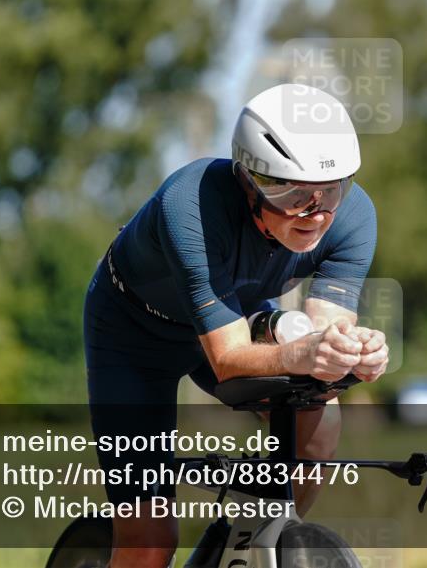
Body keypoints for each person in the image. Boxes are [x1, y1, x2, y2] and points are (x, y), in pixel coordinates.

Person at [83, 83, 389, 568]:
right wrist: (304, 354)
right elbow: (226, 360)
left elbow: (323, 338)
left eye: (331, 190)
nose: (316, 213)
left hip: (233, 314)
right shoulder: (190, 204)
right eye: (290, 192)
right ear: (249, 181)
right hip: (132, 335)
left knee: (321, 417)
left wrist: (353, 352)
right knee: (149, 544)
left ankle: (251, 546)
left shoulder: (353, 218)